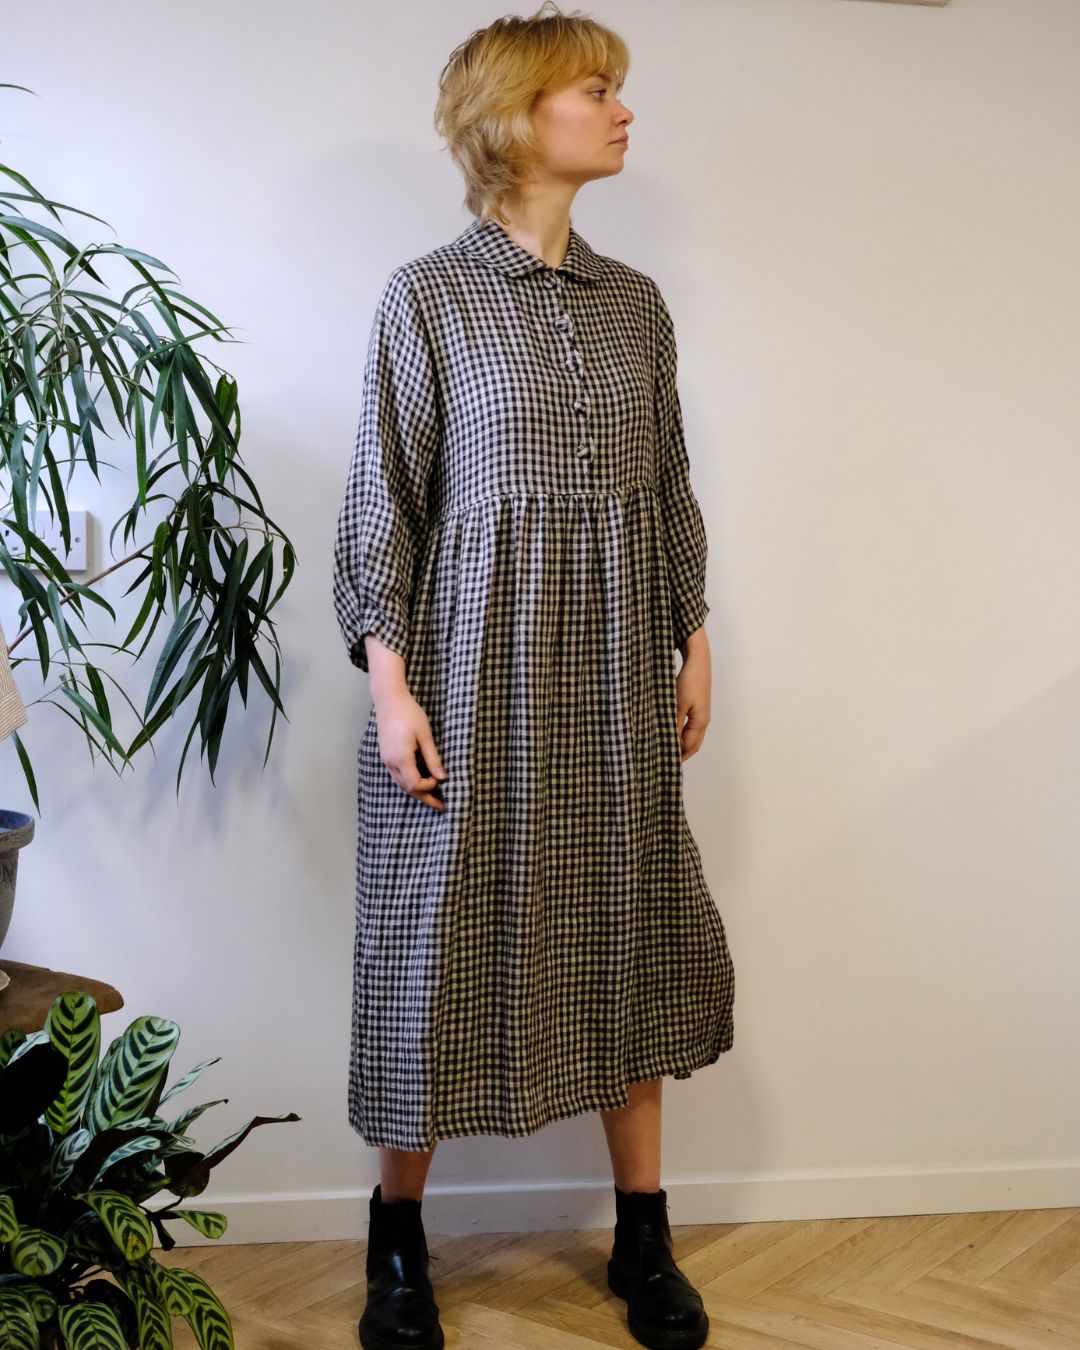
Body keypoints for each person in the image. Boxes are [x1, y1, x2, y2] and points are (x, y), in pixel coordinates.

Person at [332, 6, 735, 1348]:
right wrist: (391, 686)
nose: (624, 110)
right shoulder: (426, 298)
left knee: (625, 922)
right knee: (432, 948)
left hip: (615, 673)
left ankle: (642, 1240)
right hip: (464, 678)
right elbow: (384, 498)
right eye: (595, 89)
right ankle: (397, 1248)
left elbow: (668, 480)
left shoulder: (636, 307)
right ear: (514, 118)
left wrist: (693, 629)